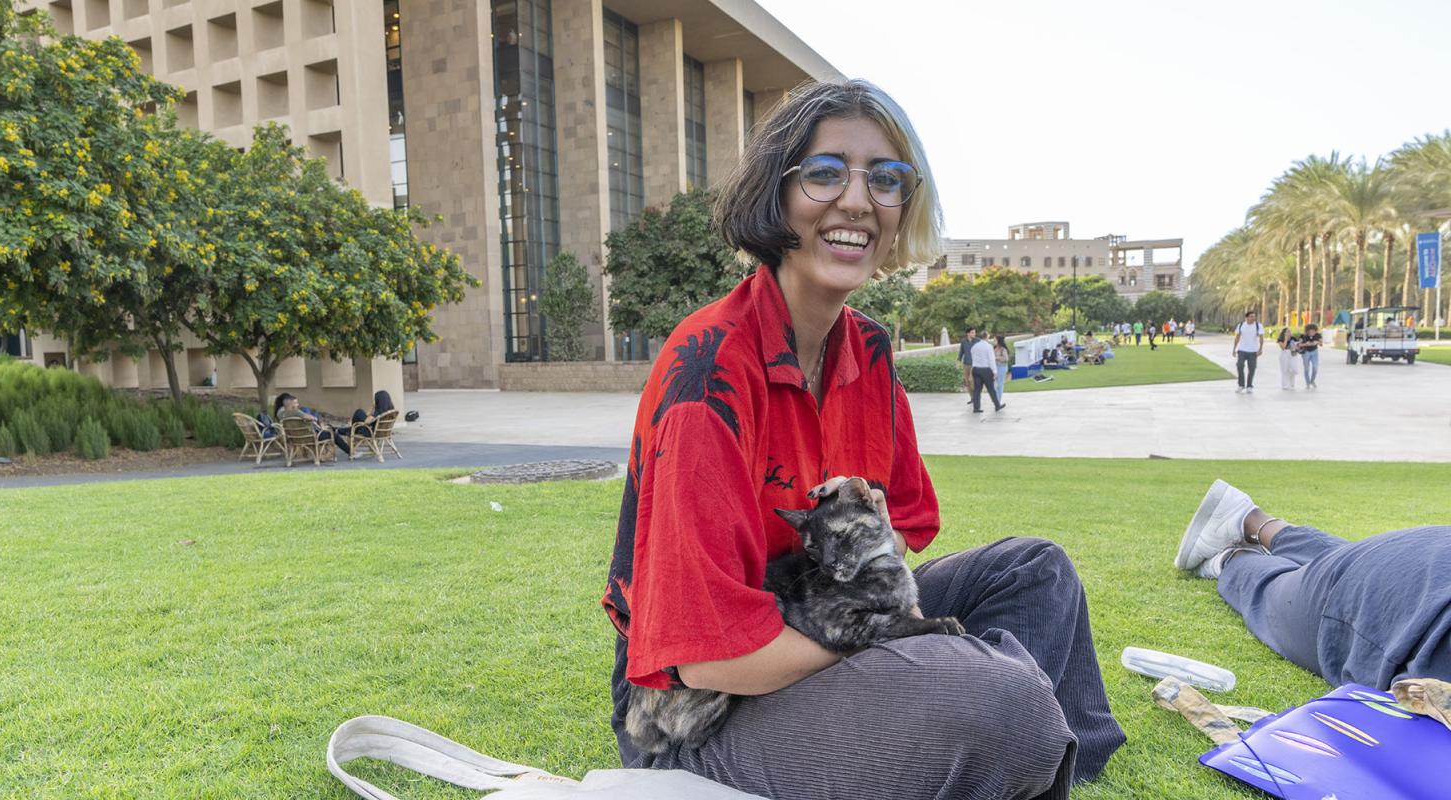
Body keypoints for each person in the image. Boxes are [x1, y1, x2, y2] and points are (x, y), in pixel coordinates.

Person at [602, 79, 1122, 800]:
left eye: (885, 179)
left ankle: (1027, 744)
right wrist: (883, 640)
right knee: (999, 701)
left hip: (820, 615)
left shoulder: (869, 355)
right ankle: (1011, 720)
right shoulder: (710, 371)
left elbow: (903, 526)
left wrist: (878, 607)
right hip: (701, 717)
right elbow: (707, 661)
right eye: (825, 173)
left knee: (1036, 572)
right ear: (776, 195)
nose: (857, 200)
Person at [1174, 480, 1451, 689]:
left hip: (1428, 548)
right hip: (1372, 599)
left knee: (1353, 561)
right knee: (1269, 594)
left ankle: (1253, 520)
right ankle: (1234, 558)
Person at [274, 392, 348, 455]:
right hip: (310, 437)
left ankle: (338, 431)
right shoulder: (296, 411)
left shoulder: (280, 415)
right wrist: (315, 418)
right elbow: (310, 418)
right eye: (296, 403)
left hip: (294, 439)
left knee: (328, 429)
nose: (298, 404)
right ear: (292, 404)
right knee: (334, 435)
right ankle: (350, 452)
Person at [970, 329, 1005, 413]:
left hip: (975, 369)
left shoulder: (974, 346)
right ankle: (997, 405)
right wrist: (995, 371)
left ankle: (976, 408)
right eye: (988, 335)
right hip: (985, 370)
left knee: (977, 389)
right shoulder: (988, 346)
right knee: (991, 389)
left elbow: (972, 358)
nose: (989, 337)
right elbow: (991, 360)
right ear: (986, 337)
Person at [1231, 311, 1264, 394]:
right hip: (1242, 350)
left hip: (1253, 351)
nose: (1253, 318)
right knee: (1239, 365)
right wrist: (1234, 349)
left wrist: (1260, 349)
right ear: (1247, 317)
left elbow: (1261, 339)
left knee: (1252, 368)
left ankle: (1249, 386)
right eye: (1252, 316)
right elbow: (1237, 338)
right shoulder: (1241, 325)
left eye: (1254, 316)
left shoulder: (1258, 326)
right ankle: (1241, 385)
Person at [1297, 323, 1322, 388]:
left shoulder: (1318, 335)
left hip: (1314, 352)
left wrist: (1317, 342)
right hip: (1306, 353)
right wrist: (1305, 344)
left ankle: (1312, 380)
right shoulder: (1303, 336)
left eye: (1313, 331)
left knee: (1315, 368)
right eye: (1310, 331)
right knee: (1306, 369)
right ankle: (1307, 383)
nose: (1312, 333)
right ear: (1307, 331)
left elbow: (1321, 344)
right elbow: (1299, 345)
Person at [956, 326, 977, 402]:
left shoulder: (977, 341)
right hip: (966, 365)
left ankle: (976, 397)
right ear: (968, 333)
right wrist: (958, 361)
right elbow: (961, 353)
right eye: (972, 332)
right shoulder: (963, 342)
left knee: (973, 381)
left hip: (975, 365)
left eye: (974, 332)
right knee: (967, 382)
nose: (974, 334)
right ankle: (972, 398)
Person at [992, 334, 1011, 402]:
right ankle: (996, 399)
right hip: (995, 368)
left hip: (1002, 368)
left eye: (995, 340)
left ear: (998, 341)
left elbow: (1006, 359)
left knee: (1000, 384)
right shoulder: (994, 348)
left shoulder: (1003, 349)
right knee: (994, 384)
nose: (993, 341)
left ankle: (998, 401)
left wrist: (996, 358)